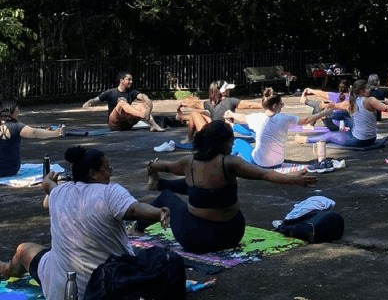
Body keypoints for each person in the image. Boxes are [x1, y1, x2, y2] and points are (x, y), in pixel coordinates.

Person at [0, 146, 170, 300]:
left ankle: (8, 269)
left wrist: (47, 180)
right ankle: (9, 269)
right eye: (107, 170)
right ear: (93, 173)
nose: (110, 174)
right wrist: (157, 212)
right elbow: (134, 210)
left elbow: (48, 186)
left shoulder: (60, 192)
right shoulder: (110, 193)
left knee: (23, 250)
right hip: (111, 285)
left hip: (64, 289)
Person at [143, 120, 316, 254]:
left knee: (168, 196)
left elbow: (165, 166)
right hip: (231, 235)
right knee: (202, 189)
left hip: (196, 239)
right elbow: (265, 174)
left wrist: (152, 166)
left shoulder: (188, 162)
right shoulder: (230, 162)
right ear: (220, 143)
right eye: (230, 140)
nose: (233, 143)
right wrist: (293, 179)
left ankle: (138, 227)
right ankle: (159, 184)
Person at [225, 88, 335, 169]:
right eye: (281, 104)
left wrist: (231, 114)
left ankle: (225, 164)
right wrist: (324, 113)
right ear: (275, 106)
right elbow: (306, 120)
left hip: (259, 163)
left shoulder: (256, 117)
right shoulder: (285, 118)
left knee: (238, 142)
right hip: (278, 162)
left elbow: (242, 117)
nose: (282, 107)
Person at [295, 80, 388, 157]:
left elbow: (334, 106)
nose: (369, 90)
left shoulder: (351, 103)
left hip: (359, 140)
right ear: (361, 91)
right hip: (372, 138)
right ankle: (337, 124)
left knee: (329, 135)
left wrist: (323, 109)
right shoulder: (369, 101)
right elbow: (387, 109)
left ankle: (305, 140)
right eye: (367, 88)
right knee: (343, 116)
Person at [0, 100, 63, 178]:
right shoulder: (17, 126)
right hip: (13, 170)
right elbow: (34, 132)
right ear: (12, 113)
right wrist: (54, 133)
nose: (18, 115)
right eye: (17, 113)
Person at [175, 80, 261, 143]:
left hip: (214, 136)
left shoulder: (210, 103)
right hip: (226, 134)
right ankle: (189, 137)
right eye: (227, 89)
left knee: (195, 114)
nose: (229, 90)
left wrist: (183, 104)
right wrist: (266, 104)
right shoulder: (232, 101)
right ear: (223, 91)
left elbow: (195, 104)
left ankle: (189, 138)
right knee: (201, 114)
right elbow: (249, 105)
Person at [83, 71, 165, 132]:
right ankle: (143, 115)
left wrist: (148, 103)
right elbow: (95, 100)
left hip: (127, 124)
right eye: (129, 79)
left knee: (142, 105)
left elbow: (142, 96)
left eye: (131, 80)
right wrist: (88, 102)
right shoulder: (110, 92)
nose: (131, 82)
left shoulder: (131, 91)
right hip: (115, 124)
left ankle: (154, 125)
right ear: (121, 80)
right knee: (121, 103)